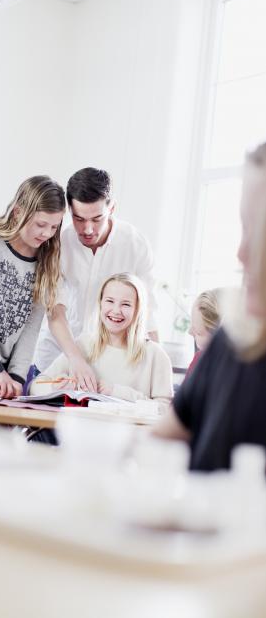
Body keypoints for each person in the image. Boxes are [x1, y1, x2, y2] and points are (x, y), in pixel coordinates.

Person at [154, 142, 266, 471]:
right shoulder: (230, 344)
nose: (241, 253)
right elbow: (158, 447)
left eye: (258, 234)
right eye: (243, 228)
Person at [33, 167, 159, 391]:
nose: (88, 229)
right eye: (78, 219)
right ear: (69, 210)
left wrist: (156, 369)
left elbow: (147, 313)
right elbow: (55, 312)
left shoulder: (135, 245)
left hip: (107, 367)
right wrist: (76, 359)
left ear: (112, 208)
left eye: (97, 218)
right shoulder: (58, 242)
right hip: (56, 356)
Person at [0, 176, 65, 399]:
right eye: (41, 224)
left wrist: (17, 376)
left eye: (54, 227)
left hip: (7, 371)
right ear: (18, 212)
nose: (47, 234)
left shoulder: (46, 260)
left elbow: (31, 327)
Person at [31, 273, 173, 410]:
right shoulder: (84, 344)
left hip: (130, 434)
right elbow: (35, 386)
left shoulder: (155, 355)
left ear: (138, 310)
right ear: (101, 304)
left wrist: (116, 391)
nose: (116, 310)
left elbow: (165, 410)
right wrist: (54, 388)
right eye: (110, 301)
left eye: (126, 304)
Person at [186, 288, 222, 377]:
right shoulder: (198, 360)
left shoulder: (201, 361)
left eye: (198, 332)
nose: (189, 332)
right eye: (191, 324)